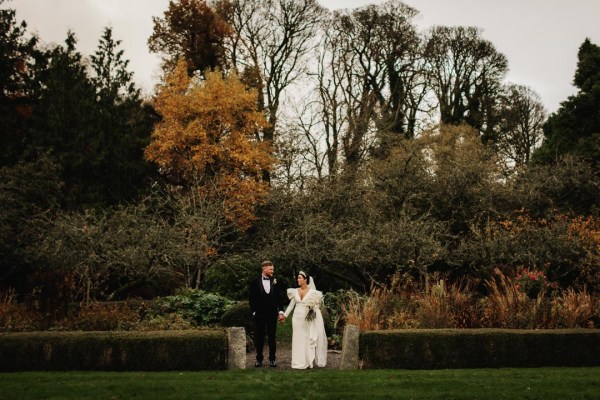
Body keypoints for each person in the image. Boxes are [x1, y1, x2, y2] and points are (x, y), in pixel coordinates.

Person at [283, 271, 328, 369]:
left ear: (305, 280)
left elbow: (318, 306)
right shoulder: (295, 291)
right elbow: (291, 305)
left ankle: (307, 361)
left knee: (306, 339)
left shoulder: (313, 293)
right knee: (297, 338)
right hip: (296, 318)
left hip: (307, 318)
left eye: (300, 278)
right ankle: (297, 362)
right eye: (298, 278)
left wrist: (313, 309)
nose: (298, 280)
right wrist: (285, 316)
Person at [249, 260, 285, 367]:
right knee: (259, 337)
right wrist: (254, 312)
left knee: (272, 337)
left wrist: (281, 312)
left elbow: (279, 298)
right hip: (259, 314)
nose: (273, 271)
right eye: (271, 269)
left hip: (272, 314)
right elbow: (251, 298)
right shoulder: (255, 282)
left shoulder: (275, 281)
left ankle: (272, 359)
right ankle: (259, 359)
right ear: (264, 269)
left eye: (273, 269)